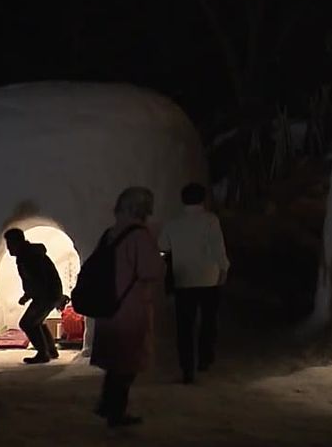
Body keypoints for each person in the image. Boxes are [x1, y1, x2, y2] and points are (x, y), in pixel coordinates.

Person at [91, 187, 165, 428]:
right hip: (129, 306)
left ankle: (108, 404)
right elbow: (150, 270)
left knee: (115, 361)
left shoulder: (110, 233)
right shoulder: (140, 235)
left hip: (108, 304)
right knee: (127, 362)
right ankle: (115, 411)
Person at [159, 183, 230, 384]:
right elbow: (218, 247)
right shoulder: (210, 220)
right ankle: (205, 360)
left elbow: (162, 246)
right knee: (208, 321)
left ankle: (187, 368)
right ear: (203, 199)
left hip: (183, 278)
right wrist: (224, 268)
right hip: (209, 277)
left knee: (185, 326)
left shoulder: (173, 223)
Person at [5, 228, 64, 364]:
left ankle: (43, 353)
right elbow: (33, 279)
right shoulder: (28, 254)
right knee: (37, 321)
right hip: (50, 293)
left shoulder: (28, 256)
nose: (8, 249)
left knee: (27, 323)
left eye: (10, 244)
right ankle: (50, 350)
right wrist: (28, 295)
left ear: (17, 243)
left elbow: (38, 279)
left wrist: (32, 295)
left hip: (47, 294)